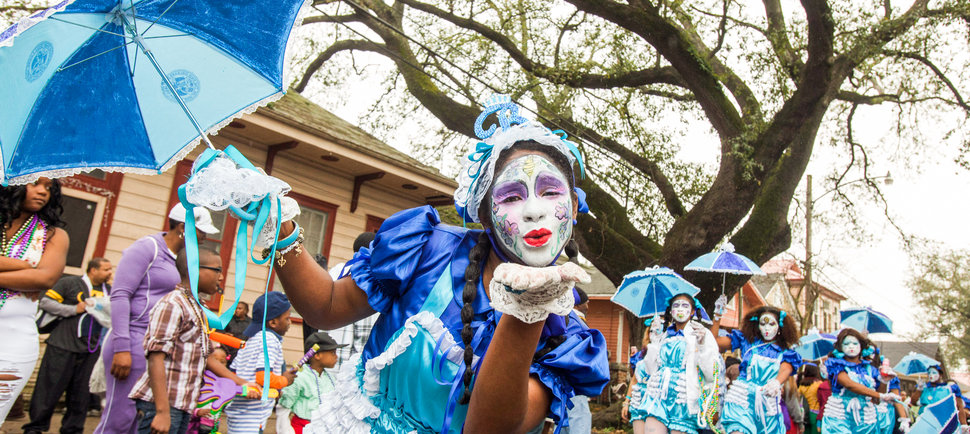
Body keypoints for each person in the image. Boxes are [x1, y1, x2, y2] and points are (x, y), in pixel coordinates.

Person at [268, 95, 610, 433]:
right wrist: (279, 227)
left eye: (550, 192)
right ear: (483, 212)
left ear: (574, 206)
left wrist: (527, 312)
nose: (534, 211)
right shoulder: (428, 248)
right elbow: (326, 307)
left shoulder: (567, 338)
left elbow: (487, 429)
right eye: (512, 196)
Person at [95, 203, 219, 434]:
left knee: (143, 419)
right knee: (120, 419)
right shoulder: (148, 247)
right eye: (201, 231)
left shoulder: (184, 259)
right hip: (132, 338)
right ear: (183, 228)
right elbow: (121, 294)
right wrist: (122, 347)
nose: (203, 238)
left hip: (161, 348)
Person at [128, 247, 224, 434]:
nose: (221, 277)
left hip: (182, 405)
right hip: (162, 405)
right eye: (217, 270)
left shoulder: (197, 307)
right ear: (195, 269)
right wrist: (162, 412)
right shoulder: (173, 304)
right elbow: (156, 359)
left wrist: (241, 382)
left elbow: (208, 358)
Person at [0, 177, 70, 420]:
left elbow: (45, 278)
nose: (43, 192)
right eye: (34, 184)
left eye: (49, 188)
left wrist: (34, 273)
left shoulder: (53, 235)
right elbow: (35, 273)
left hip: (14, 341)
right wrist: (24, 266)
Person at [23, 257, 112, 434]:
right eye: (106, 270)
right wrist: (73, 309)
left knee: (81, 394)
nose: (110, 273)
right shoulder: (71, 283)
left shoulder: (109, 291)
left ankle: (72, 429)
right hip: (62, 345)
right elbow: (47, 302)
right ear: (93, 270)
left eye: (110, 270)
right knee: (48, 389)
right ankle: (35, 427)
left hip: (91, 349)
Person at [711, 304, 802, 434]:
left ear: (780, 327)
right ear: (757, 325)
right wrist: (717, 316)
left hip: (767, 405)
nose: (767, 328)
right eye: (763, 324)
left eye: (771, 324)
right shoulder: (747, 342)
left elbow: (786, 368)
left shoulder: (785, 352)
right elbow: (714, 342)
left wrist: (776, 382)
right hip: (742, 399)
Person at [640, 292, 721, 434]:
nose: (680, 309)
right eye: (676, 306)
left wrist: (702, 345)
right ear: (670, 311)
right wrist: (654, 341)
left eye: (685, 305)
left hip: (683, 398)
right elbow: (650, 369)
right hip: (658, 395)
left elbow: (710, 373)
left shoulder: (702, 334)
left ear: (692, 312)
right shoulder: (663, 335)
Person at [224, 291, 296, 432]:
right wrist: (285, 380)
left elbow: (232, 373)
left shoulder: (250, 341)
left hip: (237, 415)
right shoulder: (269, 340)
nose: (290, 322)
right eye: (287, 318)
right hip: (252, 417)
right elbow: (263, 377)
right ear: (273, 322)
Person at [820, 328, 900, 433]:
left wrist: (884, 382)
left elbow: (876, 400)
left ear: (861, 346)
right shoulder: (835, 364)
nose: (851, 346)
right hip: (839, 417)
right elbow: (850, 385)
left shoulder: (870, 369)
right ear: (840, 347)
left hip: (865, 419)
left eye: (854, 343)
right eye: (847, 343)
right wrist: (880, 395)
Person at [328, 232, 378, 368]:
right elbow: (346, 337)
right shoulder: (361, 276)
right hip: (345, 368)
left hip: (329, 358)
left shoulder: (338, 271)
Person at [280, 331, 345, 433]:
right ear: (317, 355)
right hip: (301, 428)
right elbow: (284, 407)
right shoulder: (299, 377)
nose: (336, 356)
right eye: (333, 353)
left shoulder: (331, 379)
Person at [623, 316, 664, 434]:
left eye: (658, 330)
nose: (654, 333)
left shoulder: (668, 355)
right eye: (651, 330)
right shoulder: (642, 355)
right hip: (639, 402)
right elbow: (634, 380)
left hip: (657, 404)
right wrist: (626, 402)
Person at [873, 356, 909, 434]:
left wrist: (904, 419)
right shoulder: (862, 371)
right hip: (866, 412)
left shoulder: (890, 377)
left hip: (887, 414)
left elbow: (897, 399)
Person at [797, 363, 823, 434]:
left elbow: (797, 398)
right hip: (816, 414)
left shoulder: (802, 385)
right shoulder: (820, 384)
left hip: (805, 414)